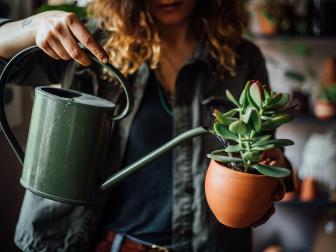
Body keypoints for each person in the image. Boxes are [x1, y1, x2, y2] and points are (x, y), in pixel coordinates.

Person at [0, 0, 293, 251]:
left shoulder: (242, 59)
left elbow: (264, 151)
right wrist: (34, 25)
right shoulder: (88, 42)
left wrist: (269, 174)